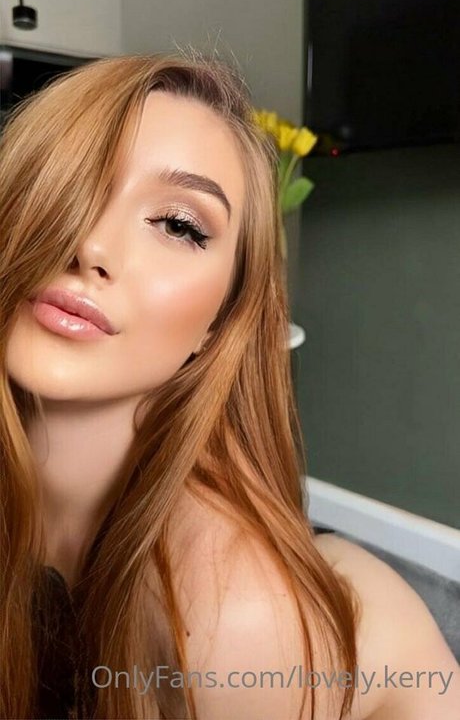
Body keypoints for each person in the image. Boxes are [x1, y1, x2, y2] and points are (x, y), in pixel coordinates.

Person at [0, 51, 458, 720]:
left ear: (219, 320)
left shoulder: (228, 621)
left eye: (178, 225)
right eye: (68, 182)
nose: (90, 246)